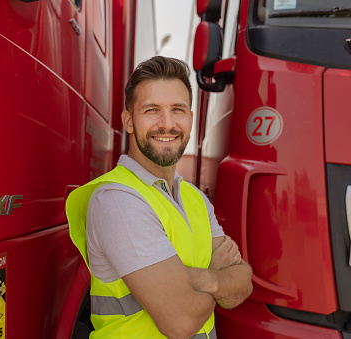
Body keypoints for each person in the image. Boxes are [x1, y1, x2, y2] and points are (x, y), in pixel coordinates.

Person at [66, 56, 252, 339]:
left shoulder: (196, 198)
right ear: (129, 121)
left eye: (177, 110)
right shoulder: (118, 200)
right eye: (152, 110)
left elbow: (244, 283)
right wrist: (218, 278)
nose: (167, 124)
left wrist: (203, 278)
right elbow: (181, 322)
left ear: (190, 119)